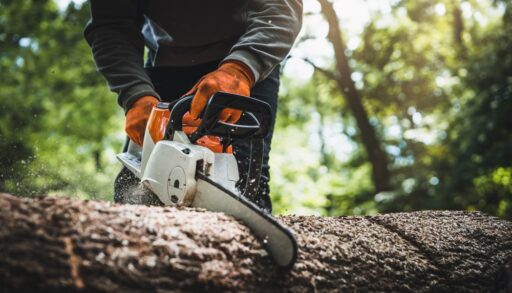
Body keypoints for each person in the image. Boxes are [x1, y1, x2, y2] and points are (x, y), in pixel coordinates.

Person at [84, 0, 302, 213]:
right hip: (164, 66)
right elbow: (111, 23)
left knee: (246, 184)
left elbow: (281, 7)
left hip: (247, 55)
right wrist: (135, 95)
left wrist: (242, 67)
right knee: (140, 184)